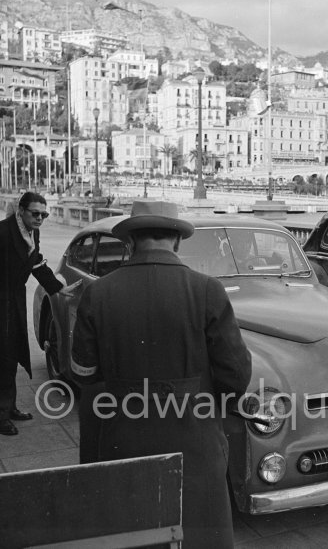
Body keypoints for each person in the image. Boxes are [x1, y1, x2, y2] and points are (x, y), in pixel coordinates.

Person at [71, 200, 252, 549]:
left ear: (130, 242)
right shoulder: (207, 290)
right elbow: (236, 377)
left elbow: (84, 373)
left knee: (133, 534)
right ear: (178, 241)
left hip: (123, 442)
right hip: (195, 446)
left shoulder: (98, 293)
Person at [0, 192, 77, 436]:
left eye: (44, 214)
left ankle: (9, 407)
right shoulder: (3, 232)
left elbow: (36, 264)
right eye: (35, 213)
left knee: (11, 353)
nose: (40, 218)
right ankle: (1, 417)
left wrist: (57, 288)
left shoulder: (33, 232)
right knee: (3, 356)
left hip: (14, 300)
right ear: (20, 210)